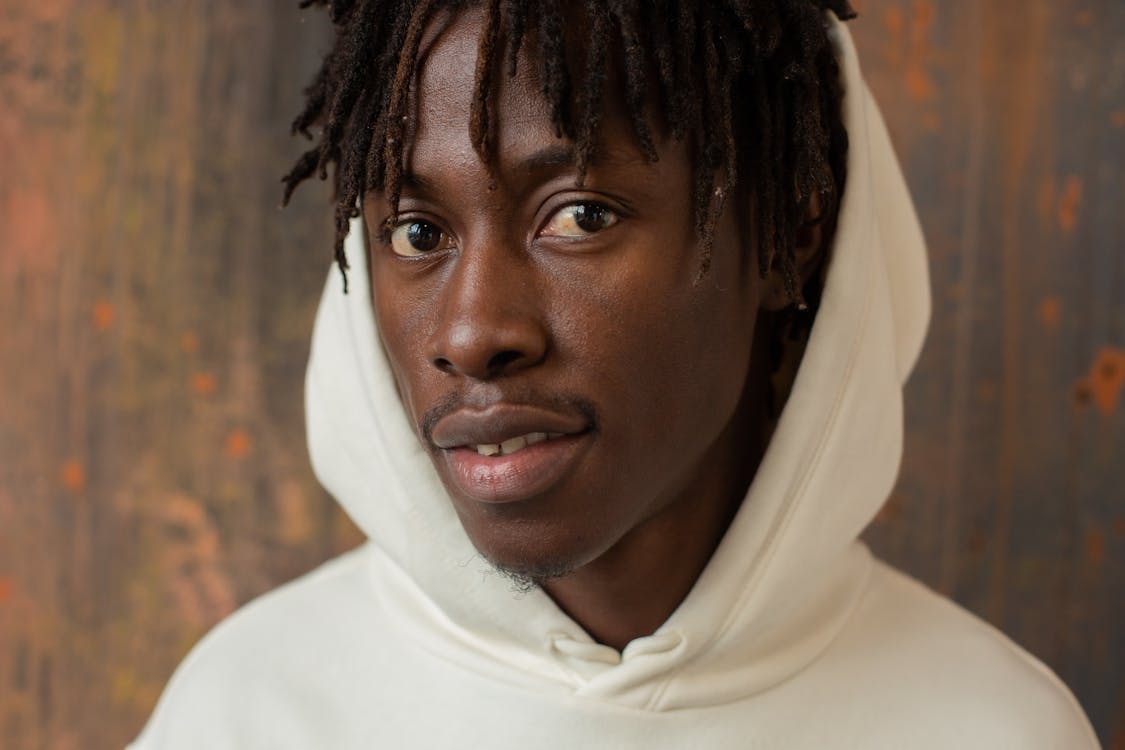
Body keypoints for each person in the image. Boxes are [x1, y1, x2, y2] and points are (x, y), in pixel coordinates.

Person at [131, 1, 1100, 747]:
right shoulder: (247, 715)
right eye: (418, 233)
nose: (472, 333)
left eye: (581, 214)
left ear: (788, 231)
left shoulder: (988, 728)